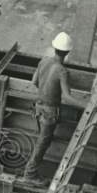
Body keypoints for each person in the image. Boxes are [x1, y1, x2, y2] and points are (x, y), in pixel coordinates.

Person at [22, 31, 85, 184]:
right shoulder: (62, 71)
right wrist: (89, 106)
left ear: (54, 47)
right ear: (68, 52)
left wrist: (46, 90)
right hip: (50, 112)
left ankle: (31, 170)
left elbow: (35, 81)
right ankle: (30, 175)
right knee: (42, 143)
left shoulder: (43, 61)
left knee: (42, 140)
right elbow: (67, 97)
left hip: (38, 107)